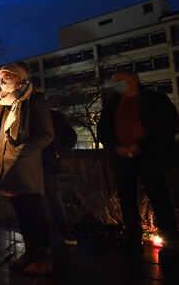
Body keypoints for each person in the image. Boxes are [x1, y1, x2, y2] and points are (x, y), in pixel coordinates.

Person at [0, 62, 54, 275]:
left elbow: (47, 134)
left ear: (19, 78)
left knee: (34, 213)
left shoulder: (34, 100)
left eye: (6, 77)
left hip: (25, 169)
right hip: (5, 167)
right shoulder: (0, 102)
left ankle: (43, 257)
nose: (1, 82)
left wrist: (22, 152)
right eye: (0, 78)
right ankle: (30, 253)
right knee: (21, 214)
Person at [97, 71, 179, 255]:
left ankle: (171, 242)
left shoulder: (155, 99)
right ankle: (133, 239)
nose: (116, 83)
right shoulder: (112, 104)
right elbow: (103, 129)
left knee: (159, 197)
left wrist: (141, 145)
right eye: (114, 81)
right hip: (122, 158)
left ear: (134, 80)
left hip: (151, 155)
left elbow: (170, 125)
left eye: (120, 80)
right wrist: (115, 147)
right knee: (126, 199)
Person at [42, 109, 78, 246]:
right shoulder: (24, 114)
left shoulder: (53, 116)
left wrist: (55, 149)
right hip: (30, 165)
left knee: (55, 200)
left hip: (47, 164)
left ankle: (64, 229)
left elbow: (71, 137)